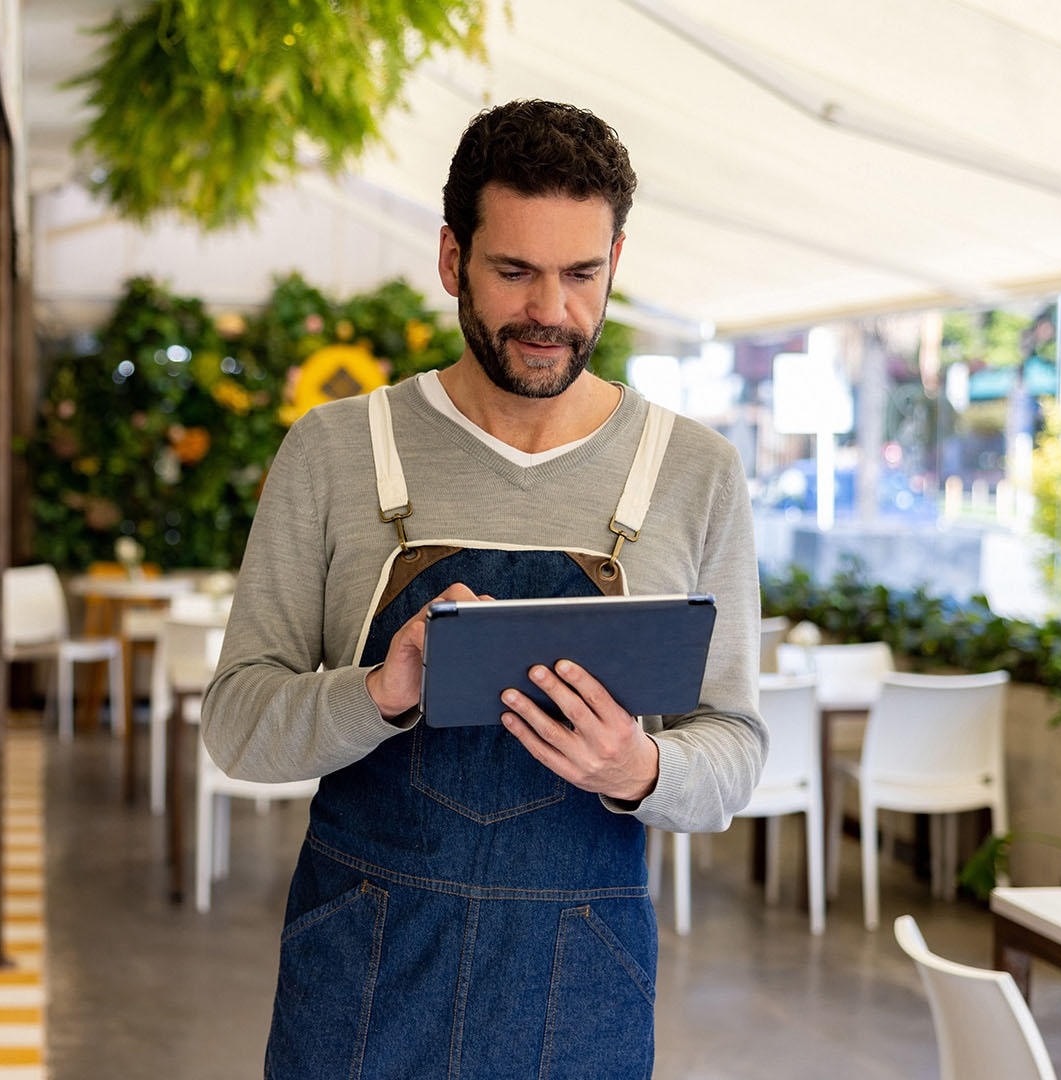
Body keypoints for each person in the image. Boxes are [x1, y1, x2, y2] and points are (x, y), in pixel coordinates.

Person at [201, 99, 766, 1080]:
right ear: (452, 260)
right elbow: (238, 725)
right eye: (515, 272)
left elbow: (736, 743)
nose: (552, 311)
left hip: (580, 972)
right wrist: (379, 690)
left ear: (615, 265)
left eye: (582, 274)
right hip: (365, 960)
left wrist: (639, 769)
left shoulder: (692, 472)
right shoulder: (339, 452)